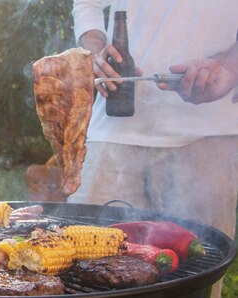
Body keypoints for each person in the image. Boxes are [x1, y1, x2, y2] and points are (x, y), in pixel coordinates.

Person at [69, 1, 238, 297]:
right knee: (75, 264)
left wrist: (230, 64)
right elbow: (87, 3)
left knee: (197, 278)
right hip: (114, 130)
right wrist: (93, 51)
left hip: (208, 133)